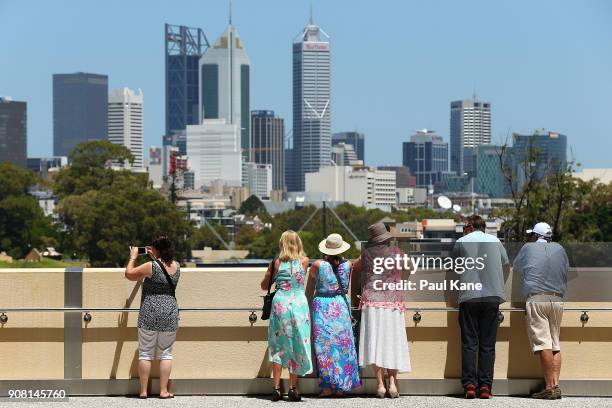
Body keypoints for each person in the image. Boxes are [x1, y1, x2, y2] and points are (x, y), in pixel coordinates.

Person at [452, 215, 509, 399]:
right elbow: (505, 263)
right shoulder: (495, 241)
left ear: (470, 226)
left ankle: (469, 385)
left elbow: (452, 265)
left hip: (469, 297)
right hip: (492, 296)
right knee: (488, 345)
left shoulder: (461, 241)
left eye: (464, 226)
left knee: (469, 343)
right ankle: (485, 387)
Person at [353, 222, 411, 399]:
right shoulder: (397, 254)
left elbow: (355, 269)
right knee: (392, 342)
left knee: (375, 342)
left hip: (372, 301)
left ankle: (380, 386)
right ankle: (392, 384)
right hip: (392, 302)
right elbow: (409, 267)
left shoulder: (365, 255)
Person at [513, 222, 568, 400]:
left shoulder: (528, 248)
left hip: (537, 298)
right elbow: (566, 270)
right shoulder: (560, 248)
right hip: (558, 298)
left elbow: (518, 267)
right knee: (555, 343)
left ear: (536, 236)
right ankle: (556, 385)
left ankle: (549, 387)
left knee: (543, 343)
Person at [124, 236, 180, 400]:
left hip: (150, 312)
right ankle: (163, 391)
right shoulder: (177, 266)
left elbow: (129, 274)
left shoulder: (151, 266)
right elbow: (162, 270)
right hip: (170, 312)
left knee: (145, 353)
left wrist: (133, 257)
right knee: (166, 354)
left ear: (156, 250)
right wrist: (154, 257)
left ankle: (143, 391)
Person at [260, 230, 313, 402]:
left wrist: (269, 273)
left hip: (281, 303)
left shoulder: (276, 263)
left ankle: (276, 389)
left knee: (278, 345)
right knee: (297, 345)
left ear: (282, 243)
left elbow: (263, 286)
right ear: (298, 243)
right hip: (298, 304)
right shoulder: (304, 261)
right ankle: (292, 389)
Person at [308, 233, 361, 397]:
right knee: (343, 346)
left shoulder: (317, 265)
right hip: (340, 305)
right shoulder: (348, 265)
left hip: (322, 307)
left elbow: (311, 282)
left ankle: (326, 387)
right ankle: (341, 387)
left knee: (323, 348)